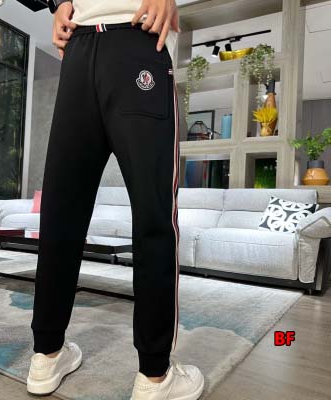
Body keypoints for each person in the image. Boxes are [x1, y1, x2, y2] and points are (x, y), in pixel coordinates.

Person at [27, 0, 205, 399]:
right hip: (135, 39)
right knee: (154, 215)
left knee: (61, 215)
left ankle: (46, 355)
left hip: (82, 52)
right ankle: (155, 377)